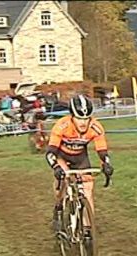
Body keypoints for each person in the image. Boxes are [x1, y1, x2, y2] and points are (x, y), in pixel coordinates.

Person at [45, 95, 113, 232]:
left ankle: (88, 229)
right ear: (71, 116)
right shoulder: (61, 126)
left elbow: (102, 150)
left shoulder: (95, 127)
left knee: (88, 190)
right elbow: (50, 152)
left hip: (80, 158)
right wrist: (56, 167)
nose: (83, 122)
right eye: (79, 118)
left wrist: (106, 164)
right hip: (61, 156)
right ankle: (58, 208)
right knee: (63, 181)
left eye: (86, 118)